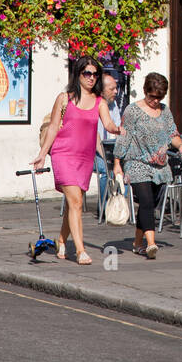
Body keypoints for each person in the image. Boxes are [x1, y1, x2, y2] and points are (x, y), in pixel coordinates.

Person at [32, 54, 121, 265]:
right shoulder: (64, 99)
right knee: (76, 202)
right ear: (78, 74)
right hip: (63, 153)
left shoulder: (99, 102)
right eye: (87, 73)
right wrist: (43, 154)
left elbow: (108, 125)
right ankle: (80, 251)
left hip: (84, 156)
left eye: (95, 74)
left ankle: (61, 240)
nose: (91, 78)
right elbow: (53, 127)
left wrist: (118, 129)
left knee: (75, 204)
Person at [113, 72, 182, 259]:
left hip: (160, 166)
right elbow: (124, 137)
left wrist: (180, 146)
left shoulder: (165, 110)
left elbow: (173, 133)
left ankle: (138, 243)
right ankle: (151, 244)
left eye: (159, 97)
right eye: (152, 96)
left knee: (150, 205)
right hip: (137, 163)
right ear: (145, 91)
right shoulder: (132, 111)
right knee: (146, 201)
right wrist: (117, 163)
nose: (155, 100)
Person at [94, 71, 122, 209]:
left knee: (124, 168)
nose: (116, 91)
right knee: (106, 169)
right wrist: (106, 158)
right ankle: (105, 208)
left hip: (111, 150)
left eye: (116, 88)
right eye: (112, 89)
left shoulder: (113, 105)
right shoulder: (92, 105)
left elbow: (116, 129)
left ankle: (120, 207)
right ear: (101, 90)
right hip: (92, 152)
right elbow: (95, 138)